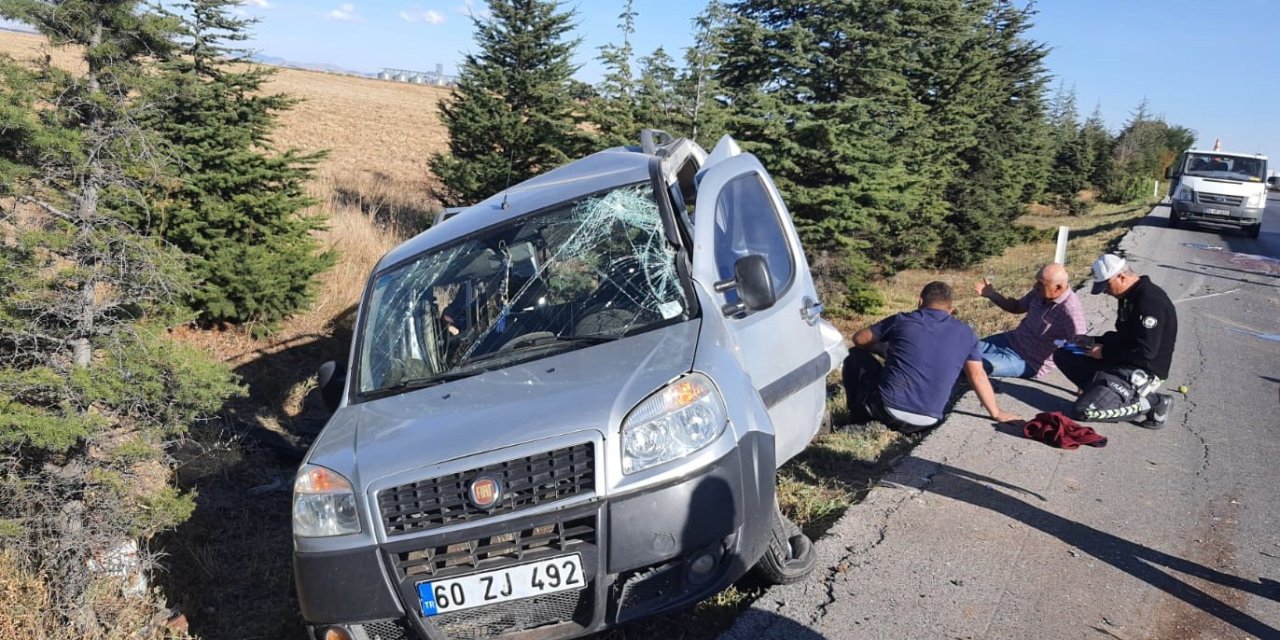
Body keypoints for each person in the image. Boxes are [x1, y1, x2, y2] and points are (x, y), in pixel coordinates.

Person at [842, 281, 1020, 433]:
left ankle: (858, 419)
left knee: (855, 356)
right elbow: (977, 376)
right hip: (929, 422)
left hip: (888, 413)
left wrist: (882, 348)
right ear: (951, 309)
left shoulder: (902, 320)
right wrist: (996, 413)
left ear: (920, 301)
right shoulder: (967, 333)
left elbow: (858, 339)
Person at [1052, 254, 1178, 429]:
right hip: (1122, 361)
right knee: (1064, 353)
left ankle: (1154, 402)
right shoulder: (1128, 297)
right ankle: (1102, 392)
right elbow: (1124, 337)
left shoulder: (1149, 301)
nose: (1106, 291)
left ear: (1122, 276)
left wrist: (1104, 352)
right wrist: (1094, 340)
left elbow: (1145, 352)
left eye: (1107, 286)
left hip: (1142, 370)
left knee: (1084, 411)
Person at [974, 263, 1086, 379]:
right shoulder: (1039, 292)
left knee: (972, 365)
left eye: (1040, 284)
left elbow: (1080, 346)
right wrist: (992, 294)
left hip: (1026, 361)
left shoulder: (1071, 309)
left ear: (1058, 288)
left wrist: (1081, 380)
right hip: (1009, 340)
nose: (1034, 286)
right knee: (963, 348)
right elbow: (1016, 307)